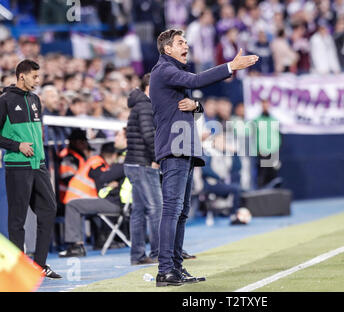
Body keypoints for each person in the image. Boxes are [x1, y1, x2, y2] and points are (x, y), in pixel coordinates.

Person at [149, 28, 258, 287]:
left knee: (182, 211)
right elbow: (196, 81)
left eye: (186, 41)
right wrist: (230, 66)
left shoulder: (174, 74)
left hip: (185, 147)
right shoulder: (163, 70)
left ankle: (175, 266)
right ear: (168, 49)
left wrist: (196, 106)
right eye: (180, 42)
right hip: (174, 148)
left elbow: (187, 105)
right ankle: (165, 270)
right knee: (172, 210)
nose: (186, 45)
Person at [0, 59, 61, 278]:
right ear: (21, 76)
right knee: (17, 218)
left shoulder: (35, 99)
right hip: (18, 166)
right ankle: (19, 269)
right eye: (34, 76)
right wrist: (16, 145)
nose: (38, 80)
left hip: (39, 165)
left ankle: (40, 265)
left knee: (49, 210)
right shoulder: (5, 101)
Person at [59, 142, 124, 257]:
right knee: (75, 207)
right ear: (113, 155)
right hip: (80, 196)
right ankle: (83, 243)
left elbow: (102, 180)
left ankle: (77, 245)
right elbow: (100, 178)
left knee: (74, 207)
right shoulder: (97, 163)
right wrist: (109, 184)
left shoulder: (99, 162)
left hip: (83, 197)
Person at [124, 73, 162, 266]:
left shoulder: (138, 104)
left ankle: (137, 255)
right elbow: (149, 135)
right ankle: (157, 253)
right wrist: (158, 158)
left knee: (138, 211)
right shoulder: (146, 106)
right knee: (156, 209)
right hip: (142, 164)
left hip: (133, 162)